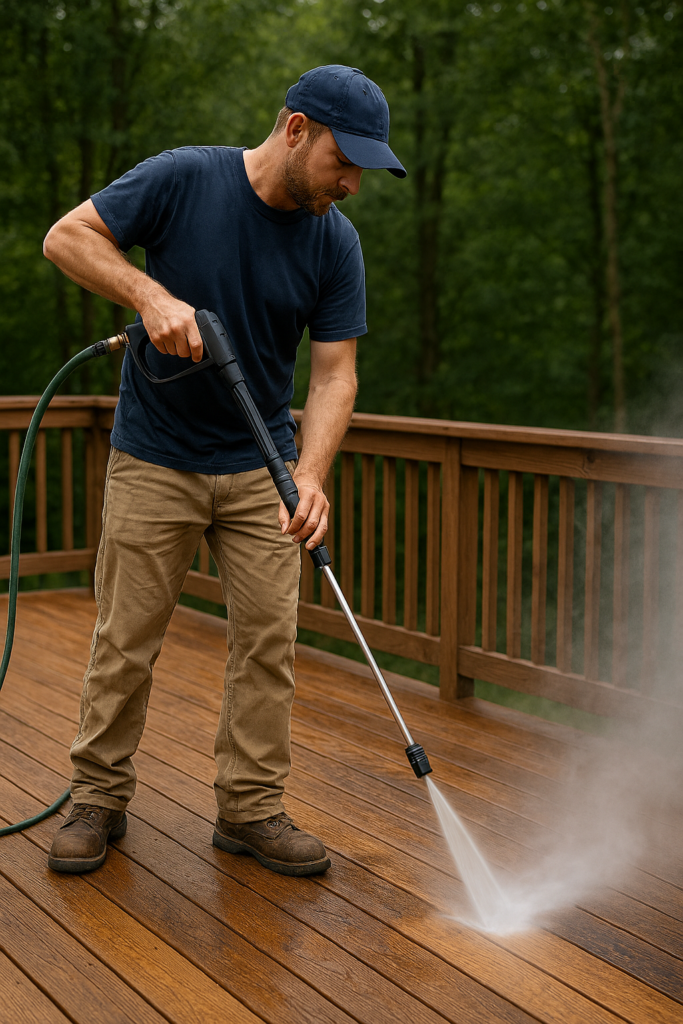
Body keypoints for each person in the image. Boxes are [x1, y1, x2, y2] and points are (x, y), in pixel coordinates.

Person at [42, 65, 406, 877]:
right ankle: (97, 797)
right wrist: (148, 296)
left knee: (269, 644)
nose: (350, 183)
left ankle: (249, 810)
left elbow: (334, 375)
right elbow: (66, 236)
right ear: (296, 128)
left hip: (262, 467)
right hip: (155, 458)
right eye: (343, 162)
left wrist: (309, 476)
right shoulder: (181, 178)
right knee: (125, 640)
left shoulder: (332, 240)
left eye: (362, 171)